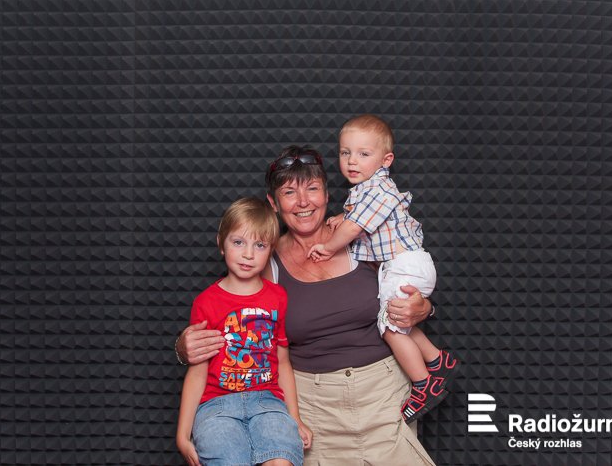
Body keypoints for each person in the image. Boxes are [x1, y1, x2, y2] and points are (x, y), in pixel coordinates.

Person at [176, 145, 438, 465]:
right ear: (273, 203)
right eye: (289, 192)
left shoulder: (363, 237)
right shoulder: (262, 260)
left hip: (383, 399)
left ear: (327, 194)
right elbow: (231, 320)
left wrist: (424, 308)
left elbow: (410, 283)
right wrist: (184, 347)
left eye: (312, 189)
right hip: (314, 410)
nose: (303, 202)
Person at [307, 114, 460, 423]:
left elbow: (354, 228)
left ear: (386, 160)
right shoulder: (368, 190)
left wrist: (328, 247)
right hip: (404, 265)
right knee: (399, 321)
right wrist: (342, 217)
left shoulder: (378, 189)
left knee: (389, 327)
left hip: (404, 266)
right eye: (345, 152)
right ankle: (437, 361)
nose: (352, 161)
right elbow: (360, 218)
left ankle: (424, 384)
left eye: (363, 154)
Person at [176, 197, 312, 466]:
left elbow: (283, 362)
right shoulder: (206, 302)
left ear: (270, 250)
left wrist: (295, 418)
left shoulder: (278, 297)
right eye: (238, 242)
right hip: (218, 406)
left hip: (267, 403)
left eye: (259, 245)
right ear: (221, 244)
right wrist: (182, 435)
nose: (248, 254)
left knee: (282, 459)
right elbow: (198, 371)